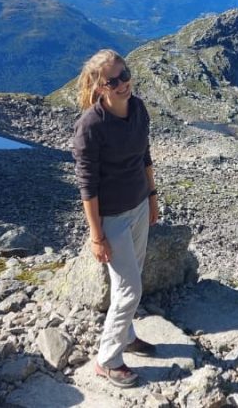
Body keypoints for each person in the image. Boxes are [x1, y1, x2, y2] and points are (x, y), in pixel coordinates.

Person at [71, 49, 159, 388]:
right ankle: (107, 360)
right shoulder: (90, 126)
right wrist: (97, 236)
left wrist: (152, 197)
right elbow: (87, 187)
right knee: (128, 290)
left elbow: (145, 155)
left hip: (138, 206)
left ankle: (127, 334)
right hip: (112, 218)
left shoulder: (137, 108)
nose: (123, 83)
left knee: (132, 278)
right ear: (98, 86)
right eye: (113, 80)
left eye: (125, 75)